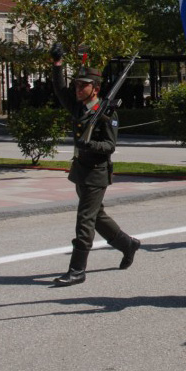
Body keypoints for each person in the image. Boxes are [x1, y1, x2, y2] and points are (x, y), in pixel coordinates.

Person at [51, 46, 140, 286]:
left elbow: (110, 146)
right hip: (81, 171)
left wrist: (89, 145)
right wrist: (57, 64)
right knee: (97, 216)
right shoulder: (80, 108)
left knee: (85, 220)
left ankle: (77, 269)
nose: (78, 89)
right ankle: (127, 244)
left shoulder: (107, 113)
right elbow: (60, 90)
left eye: (83, 86)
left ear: (95, 89)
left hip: (96, 174)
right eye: (77, 85)